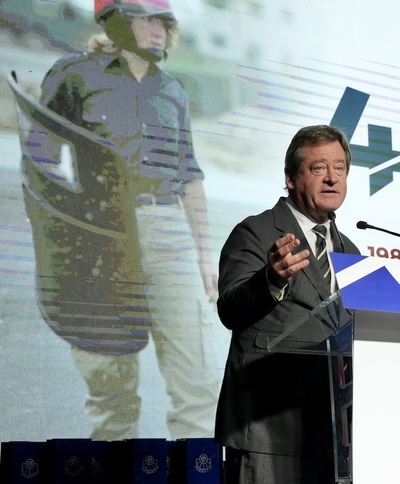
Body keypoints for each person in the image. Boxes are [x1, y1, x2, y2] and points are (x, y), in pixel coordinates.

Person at [26, 0, 221, 440]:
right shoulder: (75, 74)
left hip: (170, 233)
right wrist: (64, 242)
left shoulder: (171, 89)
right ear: (114, 21)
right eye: (144, 18)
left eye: (163, 21)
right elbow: (40, 159)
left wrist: (205, 257)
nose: (156, 30)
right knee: (111, 387)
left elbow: (189, 174)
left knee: (200, 386)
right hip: (102, 234)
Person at [215, 125, 360, 483]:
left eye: (339, 168)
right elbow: (230, 309)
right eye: (318, 168)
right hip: (268, 428)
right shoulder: (256, 231)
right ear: (291, 177)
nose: (331, 179)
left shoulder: (349, 250)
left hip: (333, 434)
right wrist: (271, 280)